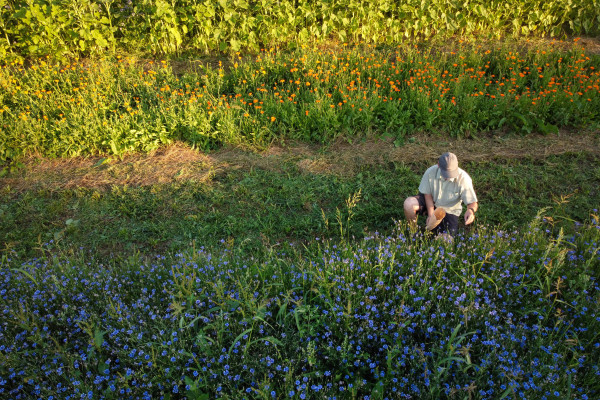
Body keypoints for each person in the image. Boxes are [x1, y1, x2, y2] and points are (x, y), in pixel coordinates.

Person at [403, 152, 478, 236]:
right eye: (445, 173)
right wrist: (431, 215)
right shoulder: (430, 172)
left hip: (449, 211)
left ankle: (437, 235)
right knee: (409, 204)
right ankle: (413, 232)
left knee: (446, 240)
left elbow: (472, 203)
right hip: (431, 202)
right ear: (438, 165)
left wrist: (470, 211)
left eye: (451, 173)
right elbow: (427, 195)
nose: (448, 177)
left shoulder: (464, 178)